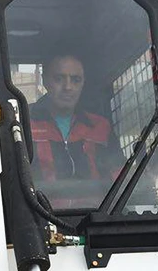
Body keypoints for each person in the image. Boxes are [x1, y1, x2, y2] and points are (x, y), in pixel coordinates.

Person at [29, 53, 122, 199]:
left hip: (98, 212)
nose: (68, 87)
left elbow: (119, 178)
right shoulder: (24, 123)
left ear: (83, 83)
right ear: (45, 80)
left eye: (75, 80)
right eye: (59, 79)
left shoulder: (100, 127)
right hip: (40, 212)